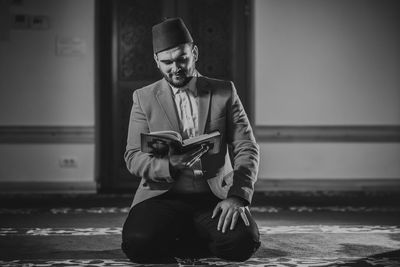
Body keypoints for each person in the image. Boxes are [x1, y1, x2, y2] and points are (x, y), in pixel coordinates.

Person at [122, 17, 260, 263]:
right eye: (166, 62)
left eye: (182, 59)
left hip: (214, 195)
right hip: (162, 196)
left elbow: (246, 147)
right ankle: (194, 237)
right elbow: (133, 157)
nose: (175, 68)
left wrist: (237, 196)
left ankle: (182, 236)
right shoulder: (143, 98)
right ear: (156, 61)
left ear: (194, 53)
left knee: (243, 243)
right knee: (137, 244)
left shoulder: (224, 91)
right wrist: (170, 165)